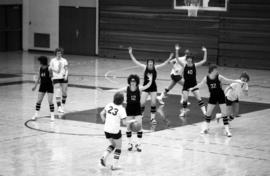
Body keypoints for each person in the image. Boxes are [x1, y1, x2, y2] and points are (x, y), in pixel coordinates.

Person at [191, 64, 243, 137]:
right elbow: (200, 84)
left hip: (221, 96)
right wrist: (193, 88)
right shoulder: (206, 78)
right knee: (208, 113)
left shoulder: (219, 77)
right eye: (216, 70)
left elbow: (228, 80)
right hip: (213, 97)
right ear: (212, 71)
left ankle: (227, 131)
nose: (217, 71)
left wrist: (237, 81)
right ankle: (206, 128)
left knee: (224, 114)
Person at [128, 47, 174, 124]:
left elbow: (164, 63)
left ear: (153, 64)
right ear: (147, 63)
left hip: (153, 88)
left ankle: (152, 119)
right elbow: (135, 61)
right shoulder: (144, 67)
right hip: (145, 87)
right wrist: (130, 53)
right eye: (149, 63)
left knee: (153, 103)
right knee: (142, 103)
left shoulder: (155, 68)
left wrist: (170, 57)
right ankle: (140, 116)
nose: (150, 64)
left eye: (151, 63)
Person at [113, 74, 152, 152]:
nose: (132, 82)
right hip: (129, 110)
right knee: (128, 128)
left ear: (136, 81)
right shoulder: (126, 88)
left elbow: (147, 86)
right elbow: (117, 90)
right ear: (129, 81)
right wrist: (104, 90)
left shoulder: (139, 88)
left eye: (134, 81)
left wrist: (150, 79)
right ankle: (130, 143)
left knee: (139, 127)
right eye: (131, 80)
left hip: (137, 109)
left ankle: (139, 144)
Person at [177, 46, 208, 117]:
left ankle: (204, 112)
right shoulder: (184, 65)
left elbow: (204, 60)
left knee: (199, 99)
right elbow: (177, 59)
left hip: (194, 85)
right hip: (186, 85)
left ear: (191, 60)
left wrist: (205, 51)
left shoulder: (194, 65)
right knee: (185, 99)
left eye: (190, 59)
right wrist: (177, 50)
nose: (189, 60)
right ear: (186, 59)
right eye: (188, 59)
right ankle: (183, 112)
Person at [100, 92, 127, 170]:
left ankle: (104, 156)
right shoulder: (121, 109)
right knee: (118, 147)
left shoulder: (109, 105)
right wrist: (131, 122)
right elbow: (124, 123)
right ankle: (115, 165)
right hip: (115, 131)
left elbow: (101, 113)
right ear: (122, 101)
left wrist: (104, 120)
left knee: (113, 144)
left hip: (106, 129)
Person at [32, 56, 55, 121]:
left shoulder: (49, 68)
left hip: (49, 86)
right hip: (42, 86)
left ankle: (52, 116)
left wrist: (54, 85)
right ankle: (36, 115)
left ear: (42, 61)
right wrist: (35, 86)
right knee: (39, 101)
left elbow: (52, 77)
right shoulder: (40, 68)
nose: (39, 63)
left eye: (40, 61)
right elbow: (38, 78)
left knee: (50, 101)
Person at [49, 48, 68, 114]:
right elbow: (50, 70)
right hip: (55, 78)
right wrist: (51, 77)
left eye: (60, 53)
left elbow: (66, 69)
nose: (59, 54)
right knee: (57, 90)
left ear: (61, 53)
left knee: (64, 92)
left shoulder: (64, 60)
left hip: (63, 77)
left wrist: (66, 76)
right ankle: (59, 107)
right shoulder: (52, 61)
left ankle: (63, 105)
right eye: (57, 53)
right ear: (55, 54)